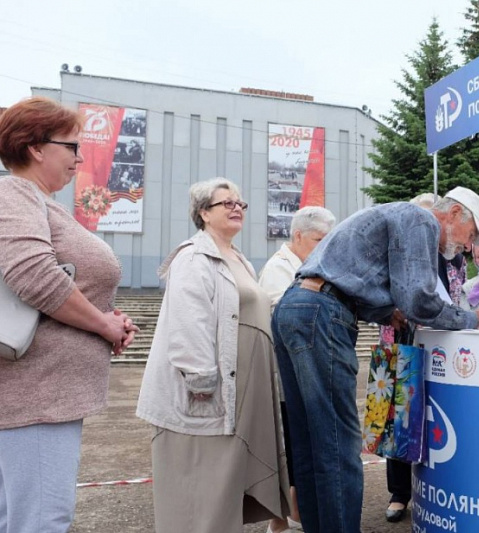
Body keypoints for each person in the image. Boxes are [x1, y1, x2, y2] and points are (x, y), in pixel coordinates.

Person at [271, 187, 479, 533]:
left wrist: (387, 312)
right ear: (454, 214)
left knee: (309, 441)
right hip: (322, 314)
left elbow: (363, 284)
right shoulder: (421, 220)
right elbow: (419, 300)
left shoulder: (396, 215)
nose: (468, 246)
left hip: (296, 307)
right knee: (337, 444)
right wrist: (475, 319)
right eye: (470, 236)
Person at [0, 96, 138, 533]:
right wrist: (101, 323)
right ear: (36, 147)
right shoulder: (15, 192)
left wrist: (107, 317)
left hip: (40, 392)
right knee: (40, 521)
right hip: (35, 395)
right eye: (72, 147)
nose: (79, 158)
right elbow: (32, 272)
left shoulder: (36, 200)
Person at [136, 178, 290, 533]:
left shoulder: (238, 258)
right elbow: (188, 322)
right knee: (202, 486)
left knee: (224, 487)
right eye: (226, 203)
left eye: (241, 203)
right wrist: (201, 380)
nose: (237, 208)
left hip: (243, 391)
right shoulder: (194, 256)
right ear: (203, 213)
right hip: (208, 395)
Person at [382, 192, 468, 524]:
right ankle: (399, 492)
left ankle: (436, 487)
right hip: (399, 342)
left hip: (441, 346)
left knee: (439, 414)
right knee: (398, 420)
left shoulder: (453, 255)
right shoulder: (398, 252)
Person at [258, 206, 336, 533]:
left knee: (299, 449)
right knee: (290, 452)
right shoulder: (279, 269)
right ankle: (282, 521)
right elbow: (286, 316)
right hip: (286, 375)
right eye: (320, 239)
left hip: (308, 373)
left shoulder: (309, 265)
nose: (325, 247)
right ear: (299, 235)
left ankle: (293, 515)